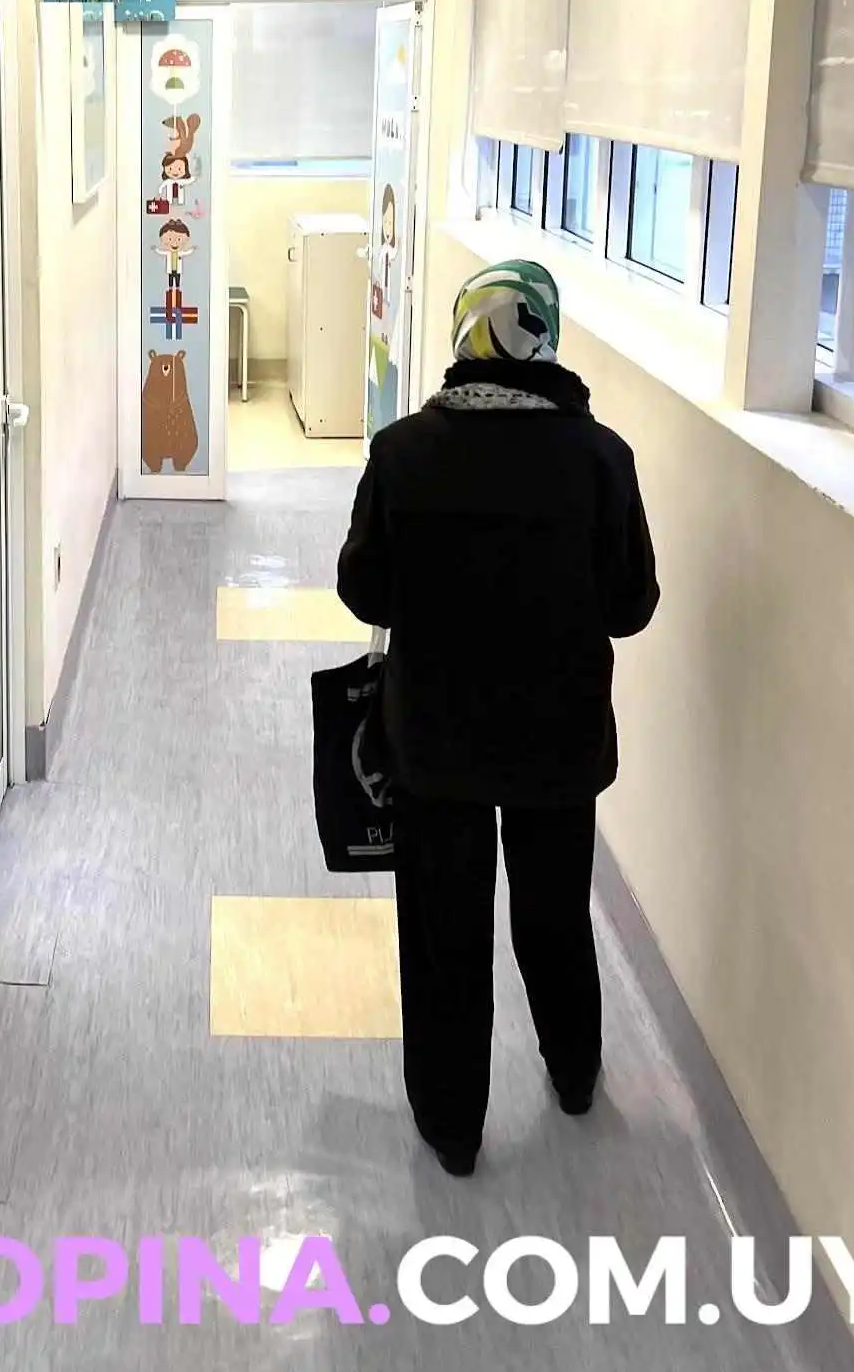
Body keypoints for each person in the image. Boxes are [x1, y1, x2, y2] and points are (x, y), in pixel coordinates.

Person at [336, 260, 658, 1179]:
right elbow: (630, 604)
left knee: (444, 927)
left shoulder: (403, 451)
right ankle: (574, 1071)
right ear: (543, 336)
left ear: (464, 332)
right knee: (554, 910)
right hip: (558, 739)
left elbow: (364, 588)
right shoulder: (601, 457)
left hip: (435, 740)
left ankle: (452, 1125)